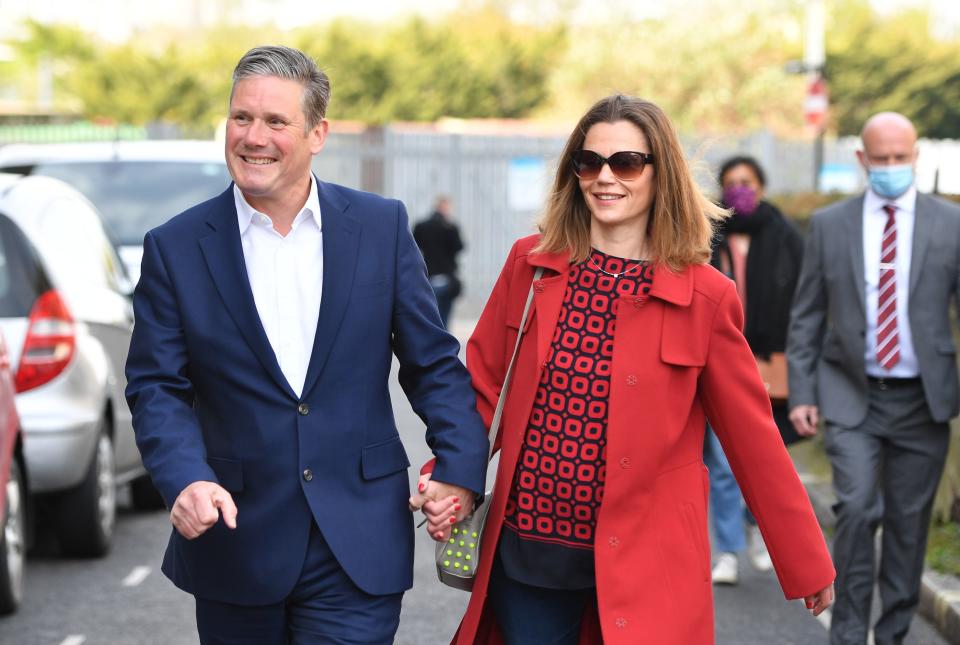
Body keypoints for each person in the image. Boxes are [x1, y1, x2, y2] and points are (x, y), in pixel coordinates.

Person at [411, 94, 834, 645]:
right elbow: (482, 390)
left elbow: (754, 441)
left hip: (648, 561)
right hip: (530, 551)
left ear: (662, 174)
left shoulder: (706, 295)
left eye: (626, 163)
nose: (604, 177)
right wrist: (449, 477)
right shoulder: (530, 265)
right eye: (589, 162)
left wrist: (805, 560)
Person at [124, 45, 488, 645]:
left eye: (275, 122)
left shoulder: (381, 226)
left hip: (359, 540)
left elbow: (433, 364)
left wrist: (459, 468)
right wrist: (184, 477)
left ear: (318, 133)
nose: (253, 136)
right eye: (241, 117)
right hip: (236, 540)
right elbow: (156, 385)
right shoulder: (175, 246)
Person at [788, 112, 960, 645]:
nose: (889, 167)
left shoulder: (950, 224)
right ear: (861, 160)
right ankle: (846, 634)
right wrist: (802, 392)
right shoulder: (830, 224)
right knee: (859, 509)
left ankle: (891, 635)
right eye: (879, 159)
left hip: (922, 401)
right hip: (850, 396)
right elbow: (808, 314)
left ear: (915, 157)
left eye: (899, 158)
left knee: (909, 532)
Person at [706, 155, 805, 585]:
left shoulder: (785, 236)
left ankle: (755, 524)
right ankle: (728, 550)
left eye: (746, 181)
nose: (739, 189)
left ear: (761, 186)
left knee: (765, 457)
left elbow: (804, 301)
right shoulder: (706, 235)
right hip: (717, 361)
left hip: (768, 361)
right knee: (724, 465)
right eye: (731, 183)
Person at [414, 195, 465, 328]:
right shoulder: (451, 228)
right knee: (445, 319)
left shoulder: (421, 226)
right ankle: (445, 346)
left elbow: (414, 247)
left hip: (428, 277)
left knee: (430, 318)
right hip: (447, 278)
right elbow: (459, 247)